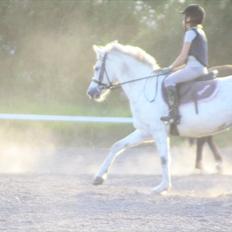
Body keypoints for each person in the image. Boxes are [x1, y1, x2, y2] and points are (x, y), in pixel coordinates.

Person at [160, 4, 208, 124]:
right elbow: (190, 60)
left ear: (189, 18)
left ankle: (174, 113)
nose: (183, 20)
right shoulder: (200, 31)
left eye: (185, 16)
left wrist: (169, 68)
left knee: (168, 81)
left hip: (194, 69)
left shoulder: (190, 32)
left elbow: (182, 57)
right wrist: (173, 69)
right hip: (200, 68)